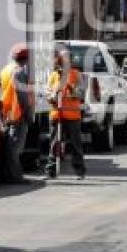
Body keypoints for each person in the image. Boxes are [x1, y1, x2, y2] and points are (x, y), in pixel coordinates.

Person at [45, 49, 86, 179]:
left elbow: (81, 94)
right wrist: (51, 96)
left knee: (75, 144)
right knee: (54, 143)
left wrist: (69, 87)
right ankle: (51, 169)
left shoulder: (76, 74)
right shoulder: (53, 75)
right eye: (61, 60)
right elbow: (48, 92)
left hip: (72, 116)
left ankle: (79, 170)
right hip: (56, 114)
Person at [0, 43, 34, 183]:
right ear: (25, 59)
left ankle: (9, 174)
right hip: (18, 113)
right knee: (16, 147)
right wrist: (28, 113)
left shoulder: (6, 70)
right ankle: (16, 177)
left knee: (10, 145)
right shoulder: (20, 72)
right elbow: (22, 95)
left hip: (8, 112)